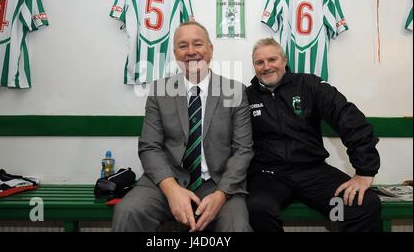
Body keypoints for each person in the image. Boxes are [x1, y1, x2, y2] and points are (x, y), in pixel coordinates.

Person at [112, 21, 254, 232]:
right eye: (183, 45)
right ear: (175, 53)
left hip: (218, 183)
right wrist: (171, 189)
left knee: (237, 226)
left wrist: (221, 194)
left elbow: (243, 150)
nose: (191, 52)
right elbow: (149, 147)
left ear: (210, 49)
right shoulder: (160, 91)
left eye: (197, 44)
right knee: (128, 211)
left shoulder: (234, 91)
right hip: (165, 181)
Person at [246, 38, 382, 232]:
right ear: (254, 67)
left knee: (362, 206)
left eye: (272, 59)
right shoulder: (247, 97)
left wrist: (365, 171)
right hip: (269, 176)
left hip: (313, 173)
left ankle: (338, 218)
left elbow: (347, 118)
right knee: (257, 209)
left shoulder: (309, 85)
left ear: (284, 61)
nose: (266, 67)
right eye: (259, 62)